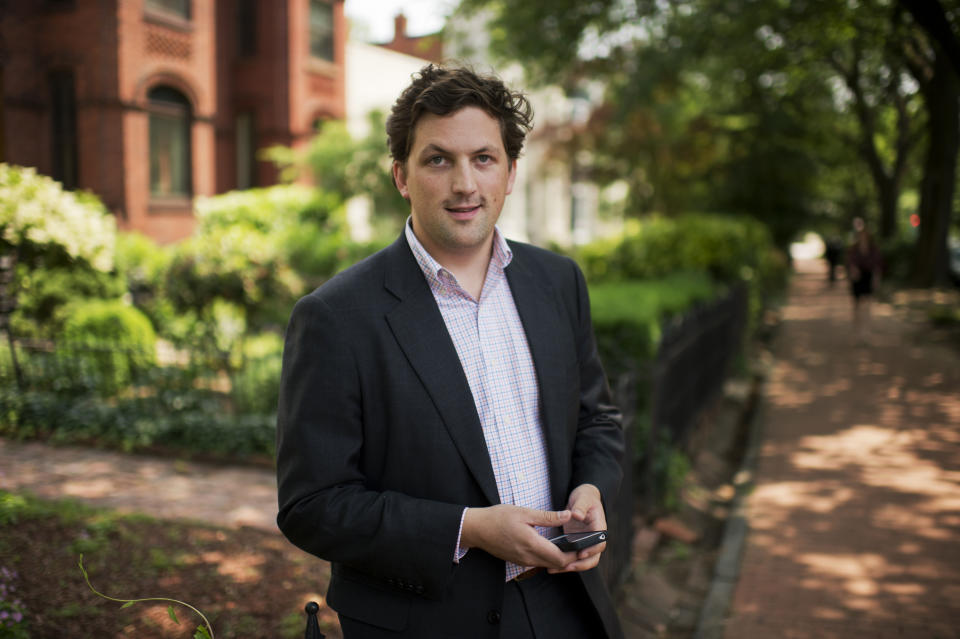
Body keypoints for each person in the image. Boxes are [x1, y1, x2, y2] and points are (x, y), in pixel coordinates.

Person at [275, 64, 625, 639]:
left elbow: (597, 420)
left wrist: (591, 487)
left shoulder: (557, 281)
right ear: (401, 176)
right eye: (438, 159)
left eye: (483, 158)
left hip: (568, 604)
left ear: (510, 173)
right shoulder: (336, 318)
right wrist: (469, 528)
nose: (465, 183)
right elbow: (312, 505)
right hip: (428, 620)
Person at [846, 217, 883, 339]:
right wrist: (853, 270)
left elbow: (877, 265)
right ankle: (856, 330)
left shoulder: (873, 249)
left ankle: (866, 331)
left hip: (868, 277)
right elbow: (850, 263)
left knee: (867, 305)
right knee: (856, 306)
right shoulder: (853, 249)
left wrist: (876, 278)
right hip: (857, 279)